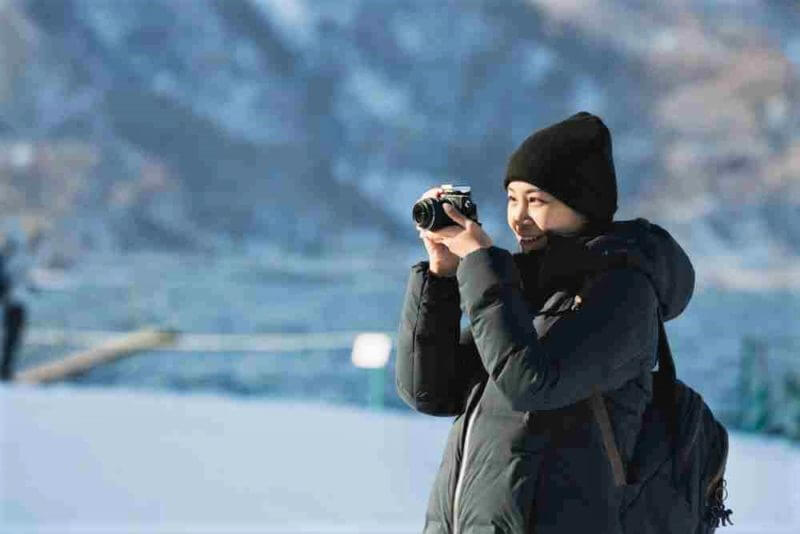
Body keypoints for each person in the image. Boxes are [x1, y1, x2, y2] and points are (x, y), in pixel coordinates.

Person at [395, 111, 695, 534]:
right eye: (512, 198)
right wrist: (442, 279)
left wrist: (482, 264)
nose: (519, 217)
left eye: (536, 200)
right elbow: (430, 391)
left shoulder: (623, 294)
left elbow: (529, 383)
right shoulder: (523, 286)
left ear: (582, 204)